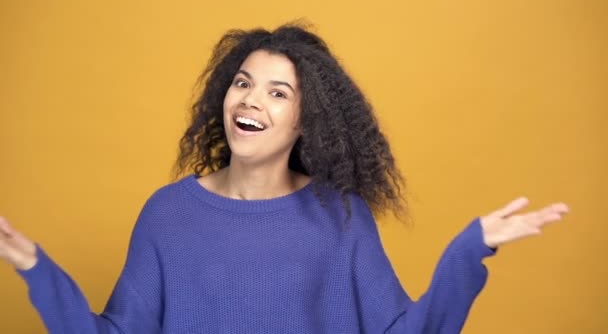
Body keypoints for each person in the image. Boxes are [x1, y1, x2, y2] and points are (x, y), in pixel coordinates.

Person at [0, 23, 569, 333]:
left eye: (279, 92)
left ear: (306, 120)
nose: (251, 100)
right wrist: (36, 268)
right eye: (243, 83)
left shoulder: (340, 217)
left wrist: (471, 251)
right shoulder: (167, 213)